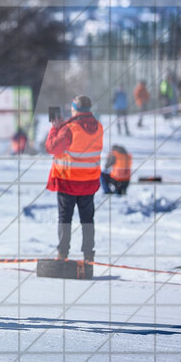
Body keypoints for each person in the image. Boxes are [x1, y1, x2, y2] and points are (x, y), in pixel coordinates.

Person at [45, 95, 103, 262]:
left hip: (68, 182)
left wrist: (55, 128)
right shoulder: (98, 127)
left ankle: (63, 254)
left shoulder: (69, 128)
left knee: (65, 219)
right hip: (89, 182)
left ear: (75, 109)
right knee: (87, 220)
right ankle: (89, 254)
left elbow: (52, 147)